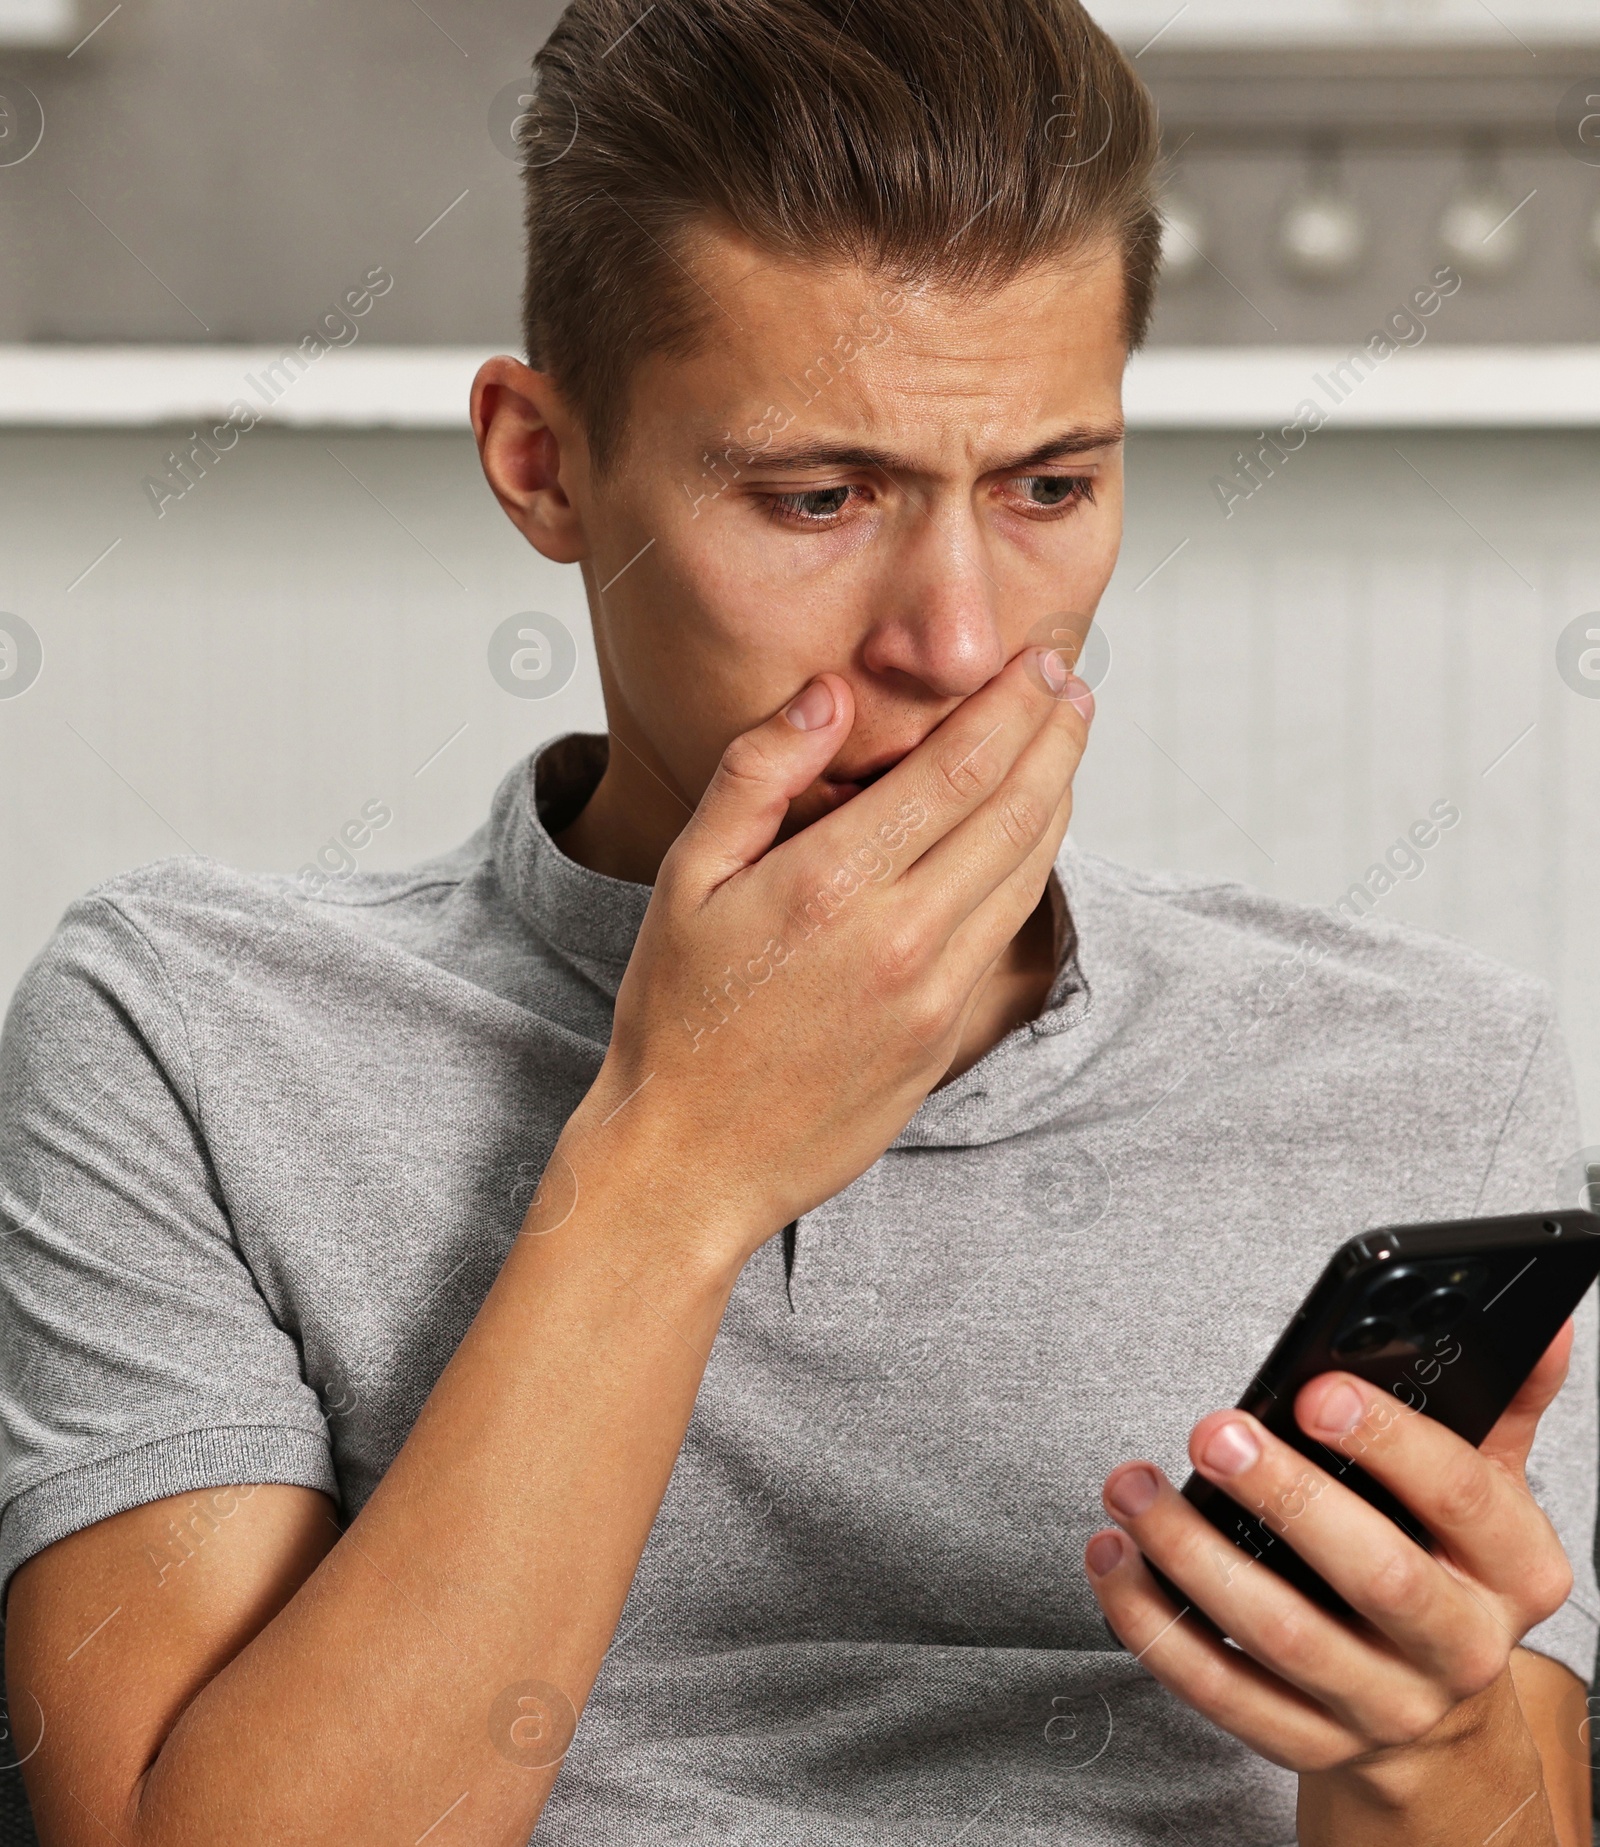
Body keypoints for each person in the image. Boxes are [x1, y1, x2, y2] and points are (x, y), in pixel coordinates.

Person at [1, 1, 1594, 1842]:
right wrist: (677, 1164)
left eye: (1050, 488)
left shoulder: (1427, 1070)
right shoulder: (187, 1035)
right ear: (541, 462)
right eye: (819, 497)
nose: (962, 640)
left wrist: (1423, 1749)